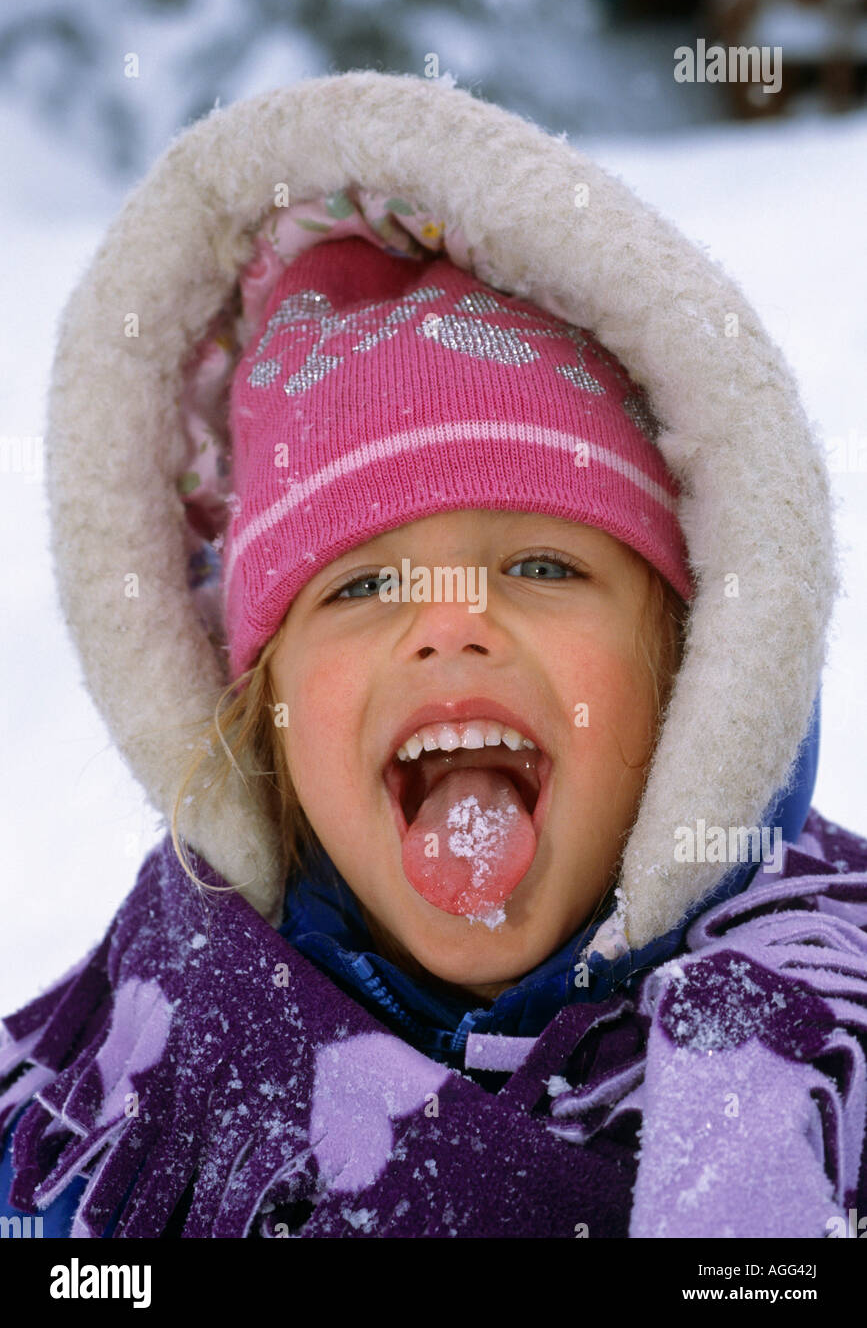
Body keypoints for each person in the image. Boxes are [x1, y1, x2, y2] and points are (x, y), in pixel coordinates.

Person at [1, 70, 864, 1239]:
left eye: (545, 567)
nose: (451, 620)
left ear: (688, 677)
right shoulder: (119, 1088)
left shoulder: (824, 1020)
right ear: (263, 711)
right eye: (361, 585)